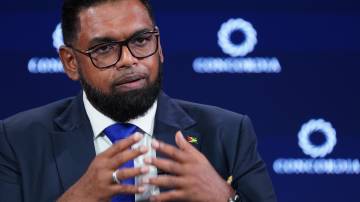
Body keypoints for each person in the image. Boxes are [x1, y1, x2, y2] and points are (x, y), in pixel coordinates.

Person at [0, 0, 277, 201]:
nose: (129, 59)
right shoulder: (17, 140)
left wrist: (224, 199)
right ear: (71, 62)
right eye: (105, 48)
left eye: (141, 40)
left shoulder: (228, 132)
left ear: (161, 47)